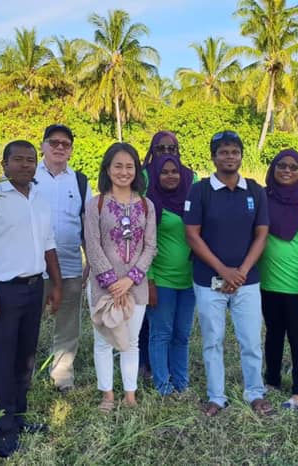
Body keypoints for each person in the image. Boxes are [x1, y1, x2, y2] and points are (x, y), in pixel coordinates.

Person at [0, 140, 62, 457]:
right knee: (2, 362)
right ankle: (0, 432)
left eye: (31, 160)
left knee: (25, 358)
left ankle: (17, 419)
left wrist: (56, 285)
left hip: (34, 289)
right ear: (4, 163)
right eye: (18, 159)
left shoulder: (40, 199)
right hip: (2, 292)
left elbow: (48, 246)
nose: (25, 165)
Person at [184, 130, 274, 417]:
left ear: (241, 155)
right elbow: (192, 235)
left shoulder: (255, 191)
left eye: (234, 151)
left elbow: (262, 234)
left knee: (250, 339)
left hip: (247, 281)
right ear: (213, 157)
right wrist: (223, 270)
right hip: (209, 281)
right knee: (212, 340)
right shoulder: (200, 191)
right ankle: (216, 396)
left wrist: (242, 271)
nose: (229, 156)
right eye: (223, 151)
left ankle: (255, 393)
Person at [84, 142, 157, 411]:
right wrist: (111, 281)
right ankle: (107, 395)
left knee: (132, 341)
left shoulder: (147, 205)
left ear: (137, 170)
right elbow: (92, 245)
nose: (124, 172)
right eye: (118, 166)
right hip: (103, 287)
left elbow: (150, 246)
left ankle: (130, 394)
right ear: (107, 169)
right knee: (103, 341)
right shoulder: (96, 204)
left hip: (135, 287)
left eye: (129, 166)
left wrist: (130, 279)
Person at [258, 149, 298, 410]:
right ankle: (271, 379)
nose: (287, 170)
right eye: (281, 165)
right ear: (273, 168)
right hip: (267, 283)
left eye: (293, 167)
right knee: (273, 334)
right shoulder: (263, 197)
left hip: (297, 287)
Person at [33, 124, 92, 393]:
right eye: (53, 142)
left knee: (68, 323)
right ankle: (24, 374)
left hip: (69, 265)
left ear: (71, 150)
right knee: (28, 322)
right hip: (31, 266)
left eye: (65, 144)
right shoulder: (28, 177)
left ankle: (62, 375)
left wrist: (90, 259)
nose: (59, 147)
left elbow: (87, 224)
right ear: (43, 146)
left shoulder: (80, 181)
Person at [144, 145, 197, 396]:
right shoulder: (151, 204)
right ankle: (163, 385)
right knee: (161, 333)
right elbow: (146, 245)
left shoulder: (191, 199)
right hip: (162, 279)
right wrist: (150, 282)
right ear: (155, 174)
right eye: (164, 172)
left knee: (182, 334)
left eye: (175, 171)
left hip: (189, 280)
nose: (170, 176)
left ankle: (181, 382)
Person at [138, 130, 185, 381]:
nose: (166, 154)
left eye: (172, 149)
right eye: (161, 149)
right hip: (150, 265)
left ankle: (169, 367)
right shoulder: (143, 178)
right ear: (152, 151)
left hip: (183, 271)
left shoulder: (189, 177)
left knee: (175, 326)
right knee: (150, 321)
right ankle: (147, 365)